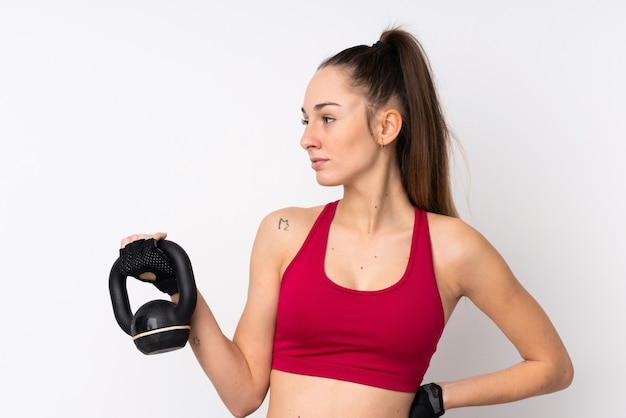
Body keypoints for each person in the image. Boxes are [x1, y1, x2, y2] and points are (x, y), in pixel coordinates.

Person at [119, 27, 574, 418]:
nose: (306, 139)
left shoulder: (452, 248)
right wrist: (180, 287)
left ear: (386, 127)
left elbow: (552, 365)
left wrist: (439, 398)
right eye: (305, 120)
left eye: (328, 118)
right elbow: (242, 396)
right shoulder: (283, 233)